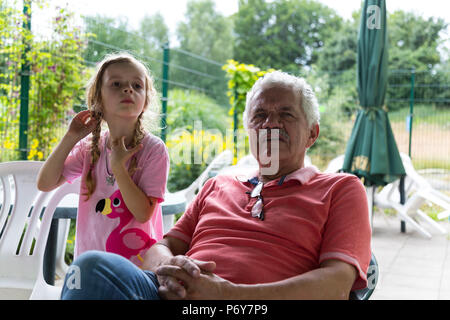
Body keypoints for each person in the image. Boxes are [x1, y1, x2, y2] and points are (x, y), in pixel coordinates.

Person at [61, 71, 371, 300]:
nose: (270, 124)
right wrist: (171, 269)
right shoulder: (217, 186)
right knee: (89, 268)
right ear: (248, 130)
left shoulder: (340, 189)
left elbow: (337, 283)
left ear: (312, 134)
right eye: (259, 116)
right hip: (177, 295)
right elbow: (161, 246)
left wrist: (226, 293)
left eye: (285, 115)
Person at [37, 52, 169, 267]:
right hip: (88, 265)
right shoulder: (90, 147)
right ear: (98, 99)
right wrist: (70, 138)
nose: (128, 89)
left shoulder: (154, 150)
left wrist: (118, 166)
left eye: (137, 85)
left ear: (145, 101)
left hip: (135, 272)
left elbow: (143, 213)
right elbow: (45, 183)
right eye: (116, 84)